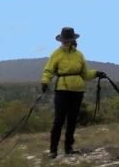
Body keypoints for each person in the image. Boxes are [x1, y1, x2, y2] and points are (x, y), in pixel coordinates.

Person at [41, 27, 106, 159]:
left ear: (72, 40)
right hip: (61, 90)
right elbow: (49, 70)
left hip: (77, 90)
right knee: (59, 120)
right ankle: (53, 149)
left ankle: (68, 147)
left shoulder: (79, 55)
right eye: (64, 40)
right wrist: (45, 81)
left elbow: (84, 74)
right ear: (61, 41)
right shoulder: (56, 54)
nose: (65, 42)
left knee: (72, 120)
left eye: (68, 40)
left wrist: (96, 73)